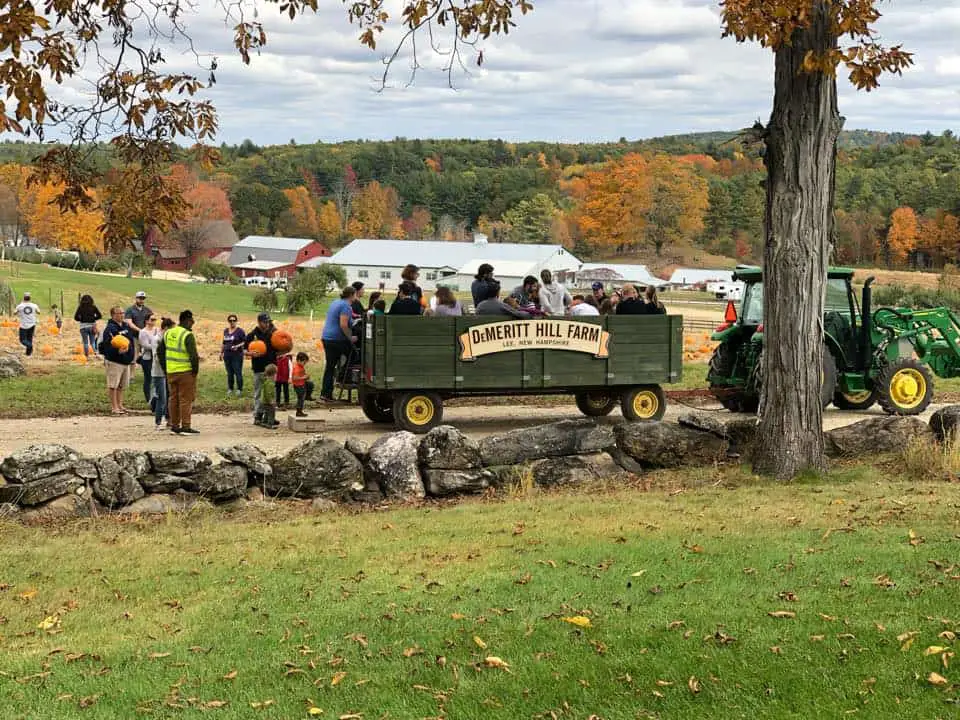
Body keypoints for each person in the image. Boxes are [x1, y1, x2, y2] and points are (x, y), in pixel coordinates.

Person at [164, 309, 200, 435]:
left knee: (173, 399)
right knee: (186, 399)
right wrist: (195, 371)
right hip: (185, 371)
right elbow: (193, 356)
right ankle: (185, 426)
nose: (193, 323)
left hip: (171, 371)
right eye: (192, 321)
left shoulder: (168, 333)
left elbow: (160, 350)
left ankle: (174, 425)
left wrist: (166, 368)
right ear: (187, 320)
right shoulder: (187, 335)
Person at [320, 286, 357, 402]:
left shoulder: (336, 302)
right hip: (337, 339)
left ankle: (325, 394)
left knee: (330, 366)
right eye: (355, 294)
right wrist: (351, 338)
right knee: (355, 355)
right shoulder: (346, 306)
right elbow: (343, 325)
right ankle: (342, 376)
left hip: (327, 337)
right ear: (351, 295)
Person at [100, 306, 136, 414]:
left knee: (121, 385)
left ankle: (120, 405)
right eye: (119, 313)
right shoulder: (110, 328)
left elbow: (130, 341)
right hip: (115, 361)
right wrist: (116, 351)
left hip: (126, 361)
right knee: (113, 385)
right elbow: (106, 345)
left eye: (122, 313)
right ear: (113, 315)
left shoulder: (125, 326)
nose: (121, 315)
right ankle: (114, 407)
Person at [246, 312, 278, 421]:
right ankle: (257, 415)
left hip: (271, 367)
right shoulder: (252, 335)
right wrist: (250, 353)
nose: (268, 324)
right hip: (258, 368)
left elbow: (280, 347)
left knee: (269, 393)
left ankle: (268, 416)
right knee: (259, 393)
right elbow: (243, 350)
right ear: (259, 322)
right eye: (265, 322)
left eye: (269, 322)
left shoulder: (273, 334)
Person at [151, 318, 175, 430]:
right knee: (162, 398)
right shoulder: (156, 339)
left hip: (167, 371)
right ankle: (158, 421)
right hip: (158, 372)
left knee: (168, 396)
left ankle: (168, 418)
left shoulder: (166, 339)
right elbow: (157, 357)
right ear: (166, 328)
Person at [137, 314, 160, 405]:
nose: (153, 321)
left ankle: (155, 397)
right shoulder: (143, 332)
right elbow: (145, 345)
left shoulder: (157, 330)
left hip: (156, 358)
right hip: (147, 358)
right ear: (146, 321)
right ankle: (148, 399)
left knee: (156, 378)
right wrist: (156, 347)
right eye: (152, 319)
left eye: (155, 319)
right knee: (148, 378)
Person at [220, 314, 246, 396]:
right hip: (227, 355)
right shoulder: (225, 331)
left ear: (236, 321)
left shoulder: (240, 331)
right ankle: (230, 388)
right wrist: (221, 353)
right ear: (228, 321)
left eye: (234, 320)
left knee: (238, 372)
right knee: (229, 373)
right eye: (230, 320)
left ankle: (239, 389)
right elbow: (224, 343)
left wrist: (237, 346)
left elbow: (245, 342)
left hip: (237, 355)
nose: (232, 322)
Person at [14, 292, 40, 356]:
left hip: (23, 325)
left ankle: (30, 346)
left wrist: (19, 308)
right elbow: (39, 312)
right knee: (29, 338)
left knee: (22, 340)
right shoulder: (34, 305)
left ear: (24, 298)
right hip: (32, 324)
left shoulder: (20, 306)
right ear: (30, 298)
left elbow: (14, 313)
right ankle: (28, 353)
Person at [255, 364, 279, 429]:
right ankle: (269, 424)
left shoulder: (266, 381)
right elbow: (268, 393)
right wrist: (271, 401)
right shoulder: (270, 383)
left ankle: (264, 422)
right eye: (276, 374)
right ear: (273, 375)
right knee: (271, 412)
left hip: (263, 401)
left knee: (267, 412)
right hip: (268, 401)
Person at [292, 352, 314, 418]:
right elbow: (294, 378)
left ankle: (308, 396)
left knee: (310, 384)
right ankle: (299, 411)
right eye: (304, 362)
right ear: (298, 360)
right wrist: (303, 377)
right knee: (301, 398)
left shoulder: (300, 366)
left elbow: (302, 374)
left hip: (302, 383)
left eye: (305, 363)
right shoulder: (296, 368)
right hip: (298, 386)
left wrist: (306, 376)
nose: (304, 364)